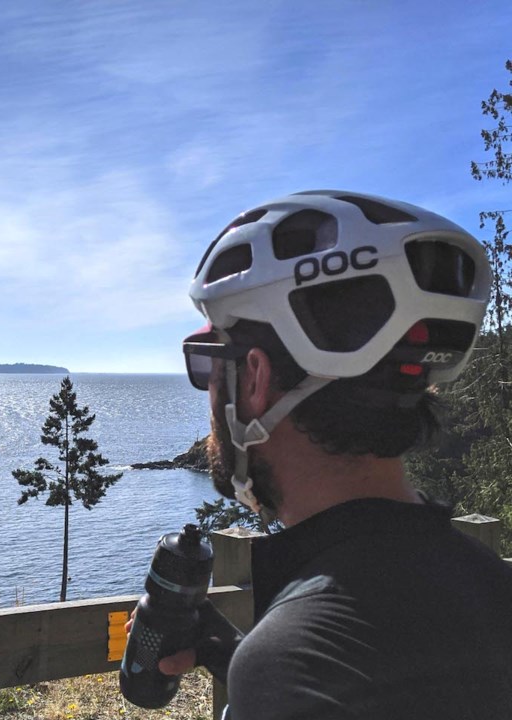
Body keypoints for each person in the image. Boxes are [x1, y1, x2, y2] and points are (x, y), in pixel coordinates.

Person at [163, 191, 512, 718]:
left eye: (211, 368)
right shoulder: (493, 587)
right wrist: (237, 657)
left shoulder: (294, 668)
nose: (209, 390)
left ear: (254, 379)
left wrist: (271, 671)